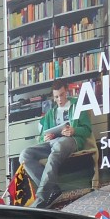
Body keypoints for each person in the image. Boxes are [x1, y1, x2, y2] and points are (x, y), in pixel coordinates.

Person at [18, 80, 92, 210]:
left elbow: (87, 130)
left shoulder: (77, 106)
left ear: (67, 91)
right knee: (25, 155)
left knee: (56, 150)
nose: (59, 99)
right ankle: (53, 190)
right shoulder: (50, 113)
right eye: (56, 97)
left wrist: (74, 130)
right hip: (52, 143)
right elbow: (42, 136)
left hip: (71, 140)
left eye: (62, 95)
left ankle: (41, 199)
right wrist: (45, 138)